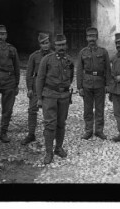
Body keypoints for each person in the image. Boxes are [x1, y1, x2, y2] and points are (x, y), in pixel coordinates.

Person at [35, 34, 74, 164]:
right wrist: (39, 98)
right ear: (54, 46)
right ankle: (48, 152)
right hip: (49, 96)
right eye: (58, 45)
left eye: (63, 44)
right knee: (50, 124)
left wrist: (65, 90)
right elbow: (40, 79)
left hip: (63, 96)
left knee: (61, 123)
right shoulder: (47, 59)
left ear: (66, 45)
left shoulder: (69, 60)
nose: (61, 47)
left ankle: (58, 148)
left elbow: (71, 77)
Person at [76, 27, 111, 140]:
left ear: (97, 37)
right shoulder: (83, 52)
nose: (91, 39)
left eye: (93, 36)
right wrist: (79, 86)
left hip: (100, 83)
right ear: (86, 38)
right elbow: (79, 70)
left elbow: (107, 69)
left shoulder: (103, 51)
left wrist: (107, 84)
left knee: (100, 108)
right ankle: (88, 130)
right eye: (89, 36)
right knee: (88, 109)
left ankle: (99, 130)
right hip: (87, 84)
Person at [21, 32, 53, 145]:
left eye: (47, 43)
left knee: (49, 112)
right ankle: (31, 134)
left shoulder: (54, 55)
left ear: (50, 43)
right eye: (43, 43)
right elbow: (29, 73)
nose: (45, 45)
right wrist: (29, 88)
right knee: (32, 110)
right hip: (36, 88)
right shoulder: (34, 56)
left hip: (49, 87)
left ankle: (49, 134)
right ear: (39, 44)